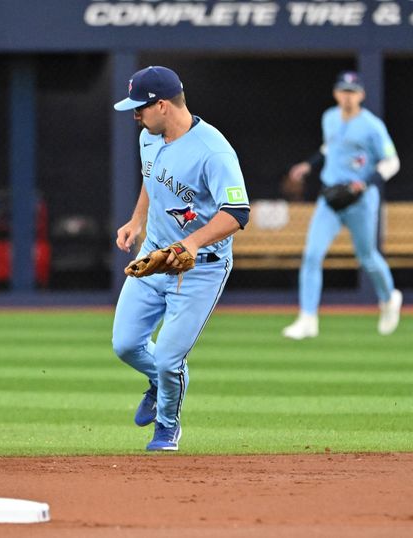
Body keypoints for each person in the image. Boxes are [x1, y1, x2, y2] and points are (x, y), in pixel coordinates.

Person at [111, 66, 250, 452]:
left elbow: (237, 212)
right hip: (154, 256)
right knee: (125, 344)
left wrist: (192, 243)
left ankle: (168, 425)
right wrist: (137, 221)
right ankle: (158, 381)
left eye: (140, 108)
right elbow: (151, 177)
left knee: (170, 357)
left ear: (163, 105)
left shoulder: (213, 151)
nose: (135, 116)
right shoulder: (148, 137)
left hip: (200, 268)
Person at [282, 71, 402, 340]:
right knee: (312, 255)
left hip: (359, 199)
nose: (347, 96)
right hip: (330, 197)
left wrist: (366, 183)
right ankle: (308, 318)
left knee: (367, 257)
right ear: (336, 93)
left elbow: (392, 162)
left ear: (361, 95)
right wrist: (308, 165)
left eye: (352, 91)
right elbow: (330, 147)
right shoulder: (330, 117)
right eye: (343, 91)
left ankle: (389, 297)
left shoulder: (372, 126)